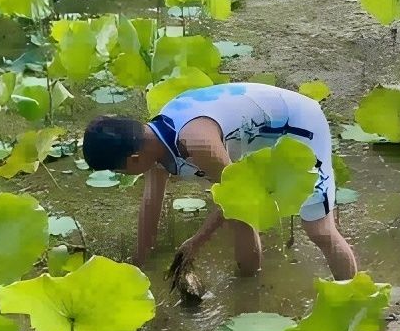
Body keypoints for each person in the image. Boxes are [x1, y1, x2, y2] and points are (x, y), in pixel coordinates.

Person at [81, 82, 358, 282]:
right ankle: (251, 289)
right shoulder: (152, 142)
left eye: (120, 172)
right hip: (254, 136)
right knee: (239, 220)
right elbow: (151, 202)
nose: (125, 176)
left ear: (133, 160)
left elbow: (235, 196)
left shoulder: (198, 142)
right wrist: (138, 265)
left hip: (299, 125)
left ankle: (351, 296)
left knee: (319, 230)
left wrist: (196, 242)